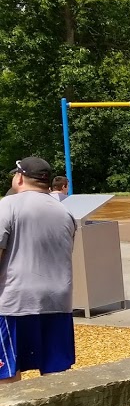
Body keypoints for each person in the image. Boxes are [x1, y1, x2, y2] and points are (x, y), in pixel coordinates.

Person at [0, 157, 77, 381]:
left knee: (6, 372)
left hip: (14, 302)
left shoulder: (7, 205)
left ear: (20, 177)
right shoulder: (65, 213)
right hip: (58, 301)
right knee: (56, 372)